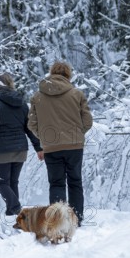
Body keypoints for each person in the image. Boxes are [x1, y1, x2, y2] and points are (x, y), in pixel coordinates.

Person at [28, 61, 93, 226]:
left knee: (56, 183)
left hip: (51, 146)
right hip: (74, 145)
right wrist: (77, 134)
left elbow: (31, 123)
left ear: (51, 73)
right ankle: (76, 219)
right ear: (68, 75)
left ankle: (58, 221)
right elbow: (87, 120)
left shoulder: (37, 96)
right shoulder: (77, 94)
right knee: (75, 182)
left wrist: (44, 138)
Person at [0, 73, 42, 216]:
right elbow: (29, 128)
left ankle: (16, 208)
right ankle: (13, 214)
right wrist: (38, 148)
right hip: (20, 150)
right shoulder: (22, 103)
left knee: (1, 183)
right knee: (12, 182)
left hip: (2, 151)